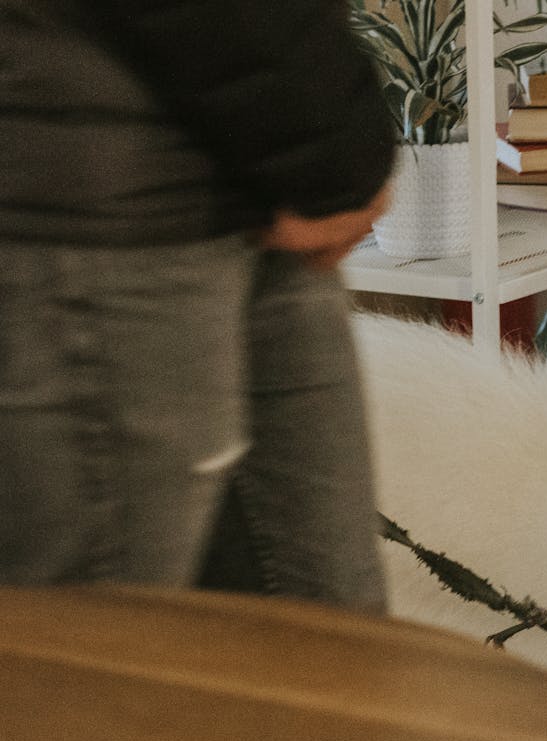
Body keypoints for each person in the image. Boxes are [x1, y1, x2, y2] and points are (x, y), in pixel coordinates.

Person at [0, 0, 396, 612]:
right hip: (106, 214)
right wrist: (334, 150)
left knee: (328, 629)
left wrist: (332, 143)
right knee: (99, 647)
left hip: (243, 180)